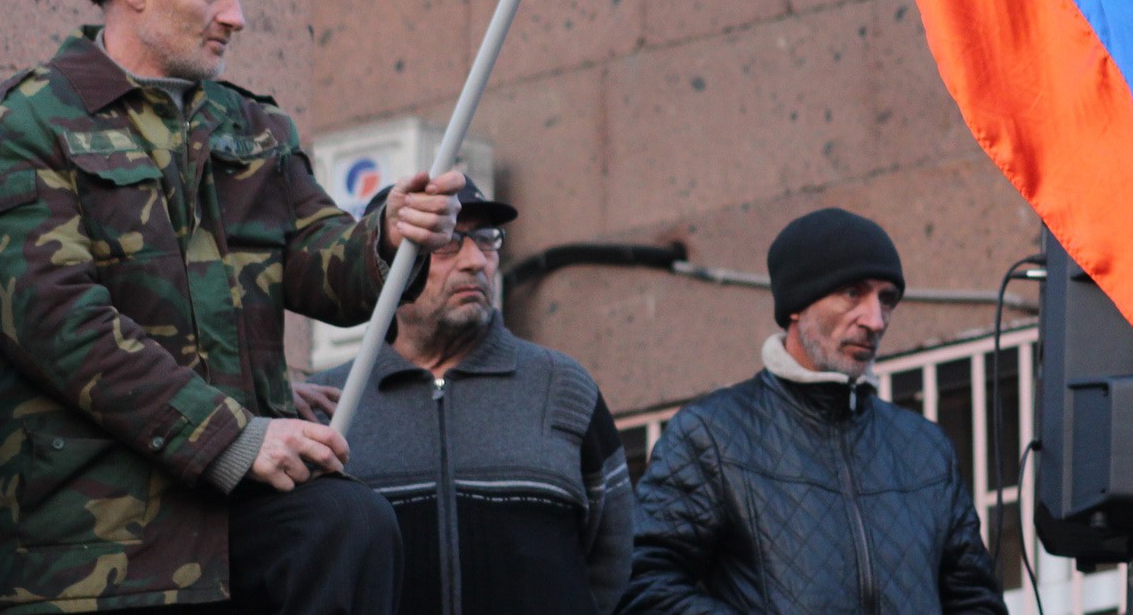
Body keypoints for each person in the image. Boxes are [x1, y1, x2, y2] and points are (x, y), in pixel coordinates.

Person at [0, 0, 464, 615]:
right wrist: (232, 437)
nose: (236, 16)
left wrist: (389, 236)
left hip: (232, 513)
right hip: (90, 536)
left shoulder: (254, 127)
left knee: (347, 524)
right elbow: (54, 320)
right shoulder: (32, 119)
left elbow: (327, 267)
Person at [620, 208, 1003, 614]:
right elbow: (642, 585)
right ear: (796, 305)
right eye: (853, 293)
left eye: (886, 299)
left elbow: (976, 602)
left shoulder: (926, 450)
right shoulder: (711, 436)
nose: (875, 320)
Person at [307, 179, 632, 615]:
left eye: (486, 239)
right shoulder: (325, 409)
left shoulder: (562, 387)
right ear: (384, 268)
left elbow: (615, 564)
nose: (476, 261)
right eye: (447, 243)